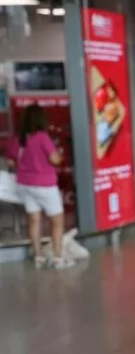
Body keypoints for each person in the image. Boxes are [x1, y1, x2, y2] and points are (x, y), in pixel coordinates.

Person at [4, 106, 69, 268]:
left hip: (24, 185)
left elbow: (11, 162)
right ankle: (58, 258)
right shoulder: (42, 137)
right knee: (57, 220)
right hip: (44, 185)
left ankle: (38, 256)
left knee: (34, 220)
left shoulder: (17, 138)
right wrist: (58, 157)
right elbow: (55, 159)